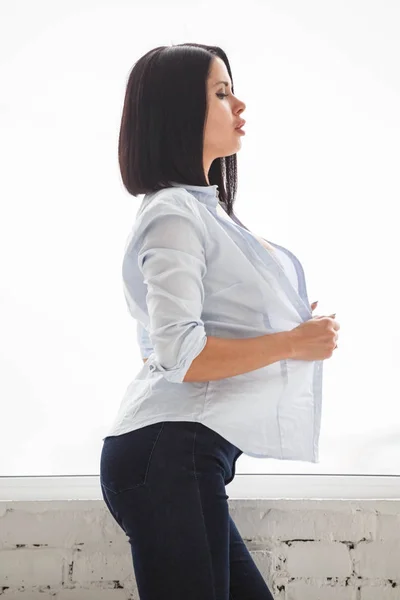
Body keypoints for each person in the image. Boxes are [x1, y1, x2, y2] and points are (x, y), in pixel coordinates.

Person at [100, 43, 339, 600]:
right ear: (179, 110)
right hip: (169, 456)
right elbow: (183, 355)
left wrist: (282, 329)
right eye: (221, 91)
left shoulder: (200, 211)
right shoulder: (172, 214)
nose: (239, 104)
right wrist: (290, 342)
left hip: (182, 458)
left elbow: (159, 341)